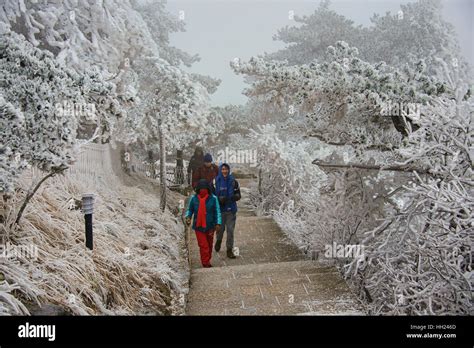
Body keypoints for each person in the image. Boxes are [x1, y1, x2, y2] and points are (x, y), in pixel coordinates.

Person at [185, 179, 222, 268]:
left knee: (209, 245)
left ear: (208, 189)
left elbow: (217, 211)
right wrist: (188, 217)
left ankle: (207, 259)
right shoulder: (194, 199)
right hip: (198, 227)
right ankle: (205, 263)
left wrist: (218, 223)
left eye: (204, 188)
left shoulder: (213, 198)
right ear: (198, 189)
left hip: (210, 226)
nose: (203, 190)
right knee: (203, 246)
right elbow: (190, 210)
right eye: (201, 189)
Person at [215, 163, 241, 259]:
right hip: (220, 210)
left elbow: (238, 194)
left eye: (226, 169)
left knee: (230, 231)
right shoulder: (216, 181)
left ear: (228, 170)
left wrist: (236, 197)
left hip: (231, 210)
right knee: (220, 230)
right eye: (222, 169)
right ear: (220, 170)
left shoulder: (233, 181)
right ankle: (218, 240)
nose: (224, 171)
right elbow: (212, 196)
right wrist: (219, 199)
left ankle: (229, 250)